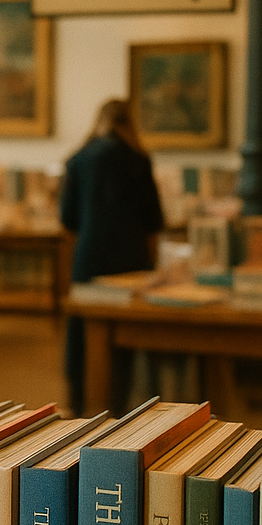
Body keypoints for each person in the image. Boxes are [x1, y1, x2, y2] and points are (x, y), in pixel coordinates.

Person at [60, 98, 164, 416]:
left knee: (83, 332)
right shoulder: (139, 159)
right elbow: (155, 219)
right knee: (124, 336)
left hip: (89, 256)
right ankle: (121, 406)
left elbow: (67, 218)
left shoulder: (78, 159)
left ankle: (80, 404)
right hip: (130, 260)